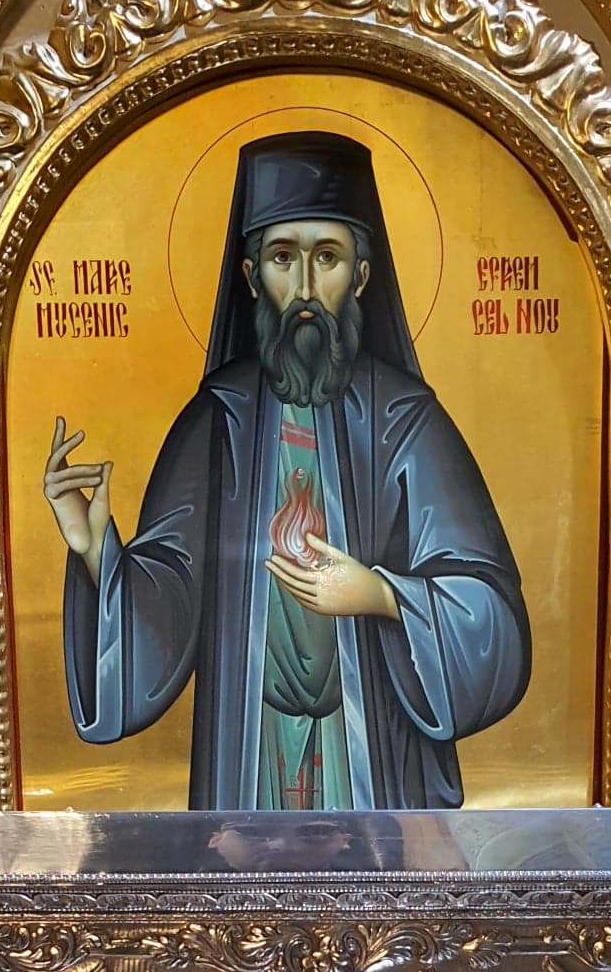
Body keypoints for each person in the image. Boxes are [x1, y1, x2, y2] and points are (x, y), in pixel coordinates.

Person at [45, 132, 531, 810]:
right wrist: (95, 545)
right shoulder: (219, 419)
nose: (305, 287)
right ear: (251, 277)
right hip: (250, 752)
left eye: (327, 257)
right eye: (282, 257)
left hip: (376, 762)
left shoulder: (406, 420)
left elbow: (494, 617)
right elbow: (168, 600)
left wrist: (381, 595)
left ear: (361, 275)